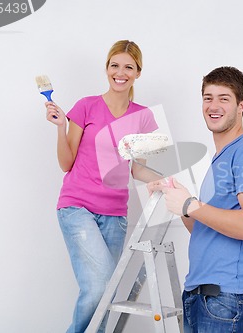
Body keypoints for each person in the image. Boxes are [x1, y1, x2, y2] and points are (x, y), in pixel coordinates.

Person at [149, 66, 243, 332]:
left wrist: (191, 204)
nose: (214, 105)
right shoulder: (219, 159)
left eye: (224, 98)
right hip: (201, 295)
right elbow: (203, 228)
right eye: (208, 97)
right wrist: (178, 199)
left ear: (241, 105)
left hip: (227, 298)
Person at [45, 40, 162, 333]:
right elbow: (66, 163)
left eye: (128, 67)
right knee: (99, 287)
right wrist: (61, 128)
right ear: (107, 68)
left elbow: (137, 168)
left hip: (114, 215)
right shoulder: (86, 106)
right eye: (114, 65)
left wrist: (161, 179)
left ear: (137, 73)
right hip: (77, 207)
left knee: (106, 297)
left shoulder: (144, 117)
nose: (120, 73)